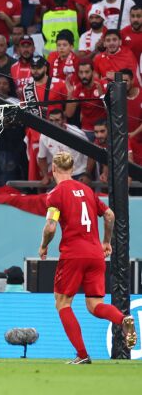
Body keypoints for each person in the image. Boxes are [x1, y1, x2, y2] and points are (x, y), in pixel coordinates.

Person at [39, 151, 137, 364]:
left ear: (53, 169)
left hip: (74, 254)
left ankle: (82, 355)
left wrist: (44, 246)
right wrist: (106, 242)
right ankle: (123, 319)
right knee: (95, 304)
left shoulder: (55, 194)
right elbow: (109, 215)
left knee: (63, 303)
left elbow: (50, 226)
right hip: (95, 254)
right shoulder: (87, 191)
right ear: (73, 170)